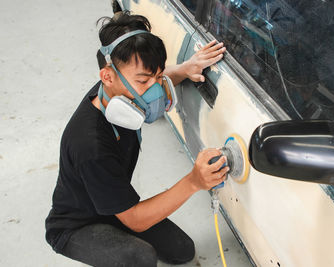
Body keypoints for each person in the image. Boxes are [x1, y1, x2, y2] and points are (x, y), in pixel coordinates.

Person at [45, 11, 228, 267]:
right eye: (143, 81)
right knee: (140, 258)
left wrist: (185, 69)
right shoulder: (91, 146)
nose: (155, 91)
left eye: (158, 77)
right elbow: (135, 219)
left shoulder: (114, 92)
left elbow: (153, 79)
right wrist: (194, 181)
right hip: (76, 225)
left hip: (111, 203)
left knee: (182, 250)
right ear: (107, 77)